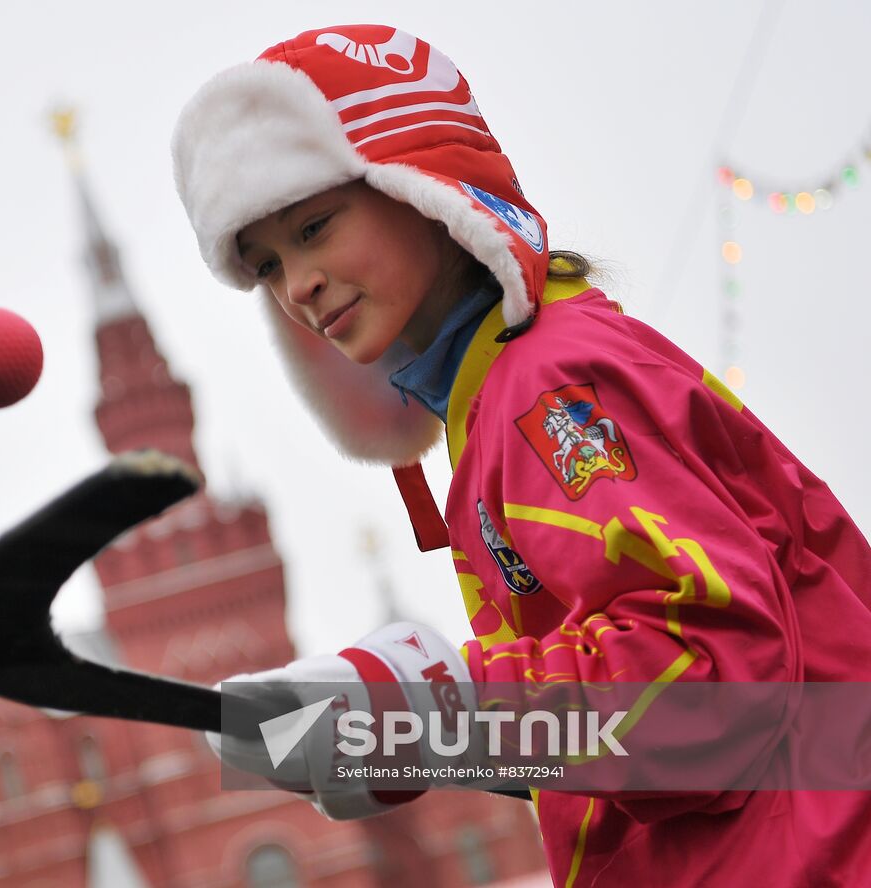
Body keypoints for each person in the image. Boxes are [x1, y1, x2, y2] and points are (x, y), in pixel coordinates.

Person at [170, 23, 871, 887]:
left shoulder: (546, 391)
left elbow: (712, 688)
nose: (298, 285)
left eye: (314, 226)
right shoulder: (505, 396)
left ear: (421, 189)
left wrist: (434, 715)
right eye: (268, 265)